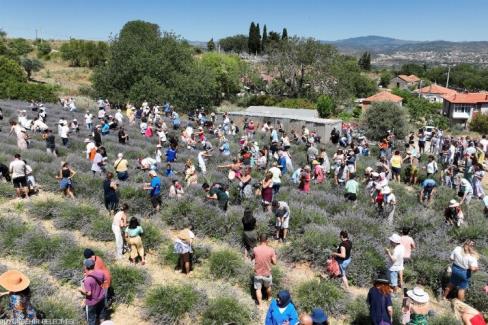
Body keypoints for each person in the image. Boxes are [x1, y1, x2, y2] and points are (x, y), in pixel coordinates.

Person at [252, 234, 277, 306]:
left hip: (258, 273)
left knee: (258, 289)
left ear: (259, 240)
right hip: (267, 274)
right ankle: (269, 298)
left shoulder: (255, 249)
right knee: (268, 287)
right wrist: (275, 256)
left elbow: (252, 258)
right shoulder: (271, 250)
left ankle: (260, 304)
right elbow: (274, 263)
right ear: (267, 240)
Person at [80, 259, 107, 325]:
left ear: (86, 267)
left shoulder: (87, 280)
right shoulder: (100, 273)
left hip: (91, 302)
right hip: (101, 298)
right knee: (101, 316)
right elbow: (104, 283)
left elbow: (89, 293)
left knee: (91, 319)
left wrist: (81, 291)